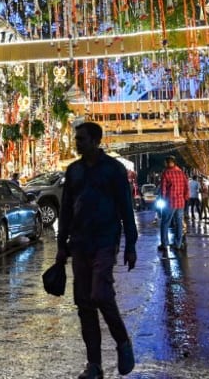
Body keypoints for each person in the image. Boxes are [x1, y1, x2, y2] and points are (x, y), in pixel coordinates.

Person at [56, 122, 137, 379]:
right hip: (79, 242)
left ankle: (123, 342)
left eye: (80, 139)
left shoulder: (114, 170)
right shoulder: (73, 171)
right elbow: (66, 209)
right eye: (76, 138)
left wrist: (131, 245)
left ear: (95, 141)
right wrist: (61, 246)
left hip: (104, 240)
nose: (76, 143)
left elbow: (126, 207)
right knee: (84, 303)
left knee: (101, 293)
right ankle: (94, 365)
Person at [158, 157, 189, 255]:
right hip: (180, 202)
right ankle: (178, 244)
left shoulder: (166, 173)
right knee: (179, 223)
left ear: (168, 163)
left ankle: (164, 243)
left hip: (170, 202)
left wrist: (162, 200)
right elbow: (186, 187)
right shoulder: (181, 173)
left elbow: (163, 190)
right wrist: (185, 198)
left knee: (165, 223)